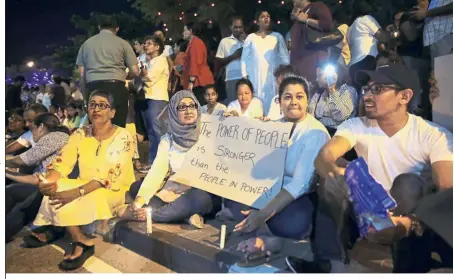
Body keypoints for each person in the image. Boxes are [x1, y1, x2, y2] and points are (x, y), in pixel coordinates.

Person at [285, 63, 453, 273]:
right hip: (367, 208)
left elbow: (447, 192)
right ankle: (329, 263)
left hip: (408, 218)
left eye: (378, 89)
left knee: (408, 183)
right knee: (332, 181)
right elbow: (324, 156)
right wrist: (338, 172)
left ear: (405, 96)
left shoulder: (432, 135)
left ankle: (409, 265)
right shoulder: (357, 125)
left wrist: (411, 223)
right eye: (366, 89)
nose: (367, 96)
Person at [219, 76, 330, 260]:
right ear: (279, 102)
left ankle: (262, 230)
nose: (294, 102)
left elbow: (299, 185)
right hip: (268, 191)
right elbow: (247, 152)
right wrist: (232, 124)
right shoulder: (274, 127)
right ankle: (261, 228)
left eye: (299, 96)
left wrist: (262, 214)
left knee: (295, 223)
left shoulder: (315, 133)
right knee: (234, 200)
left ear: (307, 101)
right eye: (287, 97)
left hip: (298, 198)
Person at [24, 90, 135, 271]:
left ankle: (71, 235)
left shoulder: (124, 136)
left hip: (112, 189)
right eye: (92, 104)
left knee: (75, 195)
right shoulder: (81, 133)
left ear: (112, 112)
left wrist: (76, 192)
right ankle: (79, 236)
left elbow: (110, 176)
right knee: (57, 186)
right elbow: (62, 163)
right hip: (84, 184)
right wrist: (49, 181)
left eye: (102, 105)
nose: (96, 109)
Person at [118, 90, 221, 229]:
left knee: (198, 199)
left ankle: (151, 216)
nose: (188, 110)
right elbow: (157, 172)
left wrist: (231, 121)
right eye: (182, 107)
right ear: (173, 111)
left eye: (192, 106)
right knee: (137, 188)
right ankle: (184, 216)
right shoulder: (168, 140)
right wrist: (139, 200)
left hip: (200, 193)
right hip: (174, 191)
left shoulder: (211, 132)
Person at [76, 16, 140, 128]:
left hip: (93, 88)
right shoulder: (123, 43)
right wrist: (125, 76)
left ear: (99, 27)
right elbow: (135, 71)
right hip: (116, 87)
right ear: (117, 28)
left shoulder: (86, 44)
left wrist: (86, 95)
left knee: (96, 128)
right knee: (117, 128)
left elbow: (82, 74)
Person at [241, 11, 290, 114]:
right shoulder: (251, 37)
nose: (266, 18)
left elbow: (285, 57)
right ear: (257, 21)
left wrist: (283, 73)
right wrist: (244, 76)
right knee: (256, 102)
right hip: (255, 77)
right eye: (262, 16)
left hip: (272, 77)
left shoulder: (277, 36)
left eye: (268, 16)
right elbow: (244, 59)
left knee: (273, 101)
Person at [140, 35, 170, 169]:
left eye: (149, 43)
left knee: (159, 132)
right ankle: (153, 162)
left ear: (157, 47)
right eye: (145, 43)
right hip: (148, 98)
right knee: (151, 132)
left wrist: (141, 74)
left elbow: (149, 78)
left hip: (158, 99)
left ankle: (162, 163)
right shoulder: (150, 62)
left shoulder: (161, 60)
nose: (146, 46)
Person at [347, 0, 390, 92]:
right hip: (367, 61)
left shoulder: (350, 28)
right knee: (372, 93)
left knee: (360, 96)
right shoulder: (367, 19)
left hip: (353, 67)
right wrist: (389, 32)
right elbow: (384, 38)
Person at [308, 62, 358, 134]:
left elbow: (340, 116)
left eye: (319, 76)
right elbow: (311, 116)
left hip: (339, 135)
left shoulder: (349, 91)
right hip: (319, 132)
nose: (317, 79)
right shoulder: (319, 94)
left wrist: (332, 90)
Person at [290, 0, 333, 83]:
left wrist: (306, 20)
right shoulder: (300, 15)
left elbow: (327, 25)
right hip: (299, 66)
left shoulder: (317, 6)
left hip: (313, 62)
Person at [409, 0, 453, 67]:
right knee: (438, 74)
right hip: (434, 38)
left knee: (446, 72)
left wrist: (426, 13)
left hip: (445, 34)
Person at [182, 22, 215, 104]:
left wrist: (191, 83)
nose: (183, 33)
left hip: (200, 82)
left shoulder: (195, 43)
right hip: (198, 81)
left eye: (184, 30)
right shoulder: (193, 43)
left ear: (190, 31)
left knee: (202, 109)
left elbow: (195, 63)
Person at [216, 16, 245, 104]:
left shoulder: (248, 41)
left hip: (246, 77)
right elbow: (219, 61)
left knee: (245, 104)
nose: (238, 29)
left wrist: (245, 41)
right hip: (231, 77)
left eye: (240, 27)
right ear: (231, 27)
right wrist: (233, 56)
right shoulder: (225, 41)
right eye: (235, 27)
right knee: (233, 104)